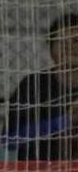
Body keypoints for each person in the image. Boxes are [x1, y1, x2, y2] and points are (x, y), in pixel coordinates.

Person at [4, 12, 78, 160]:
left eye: (76, 40)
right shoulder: (33, 85)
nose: (69, 47)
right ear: (51, 48)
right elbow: (9, 140)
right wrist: (65, 121)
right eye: (62, 41)